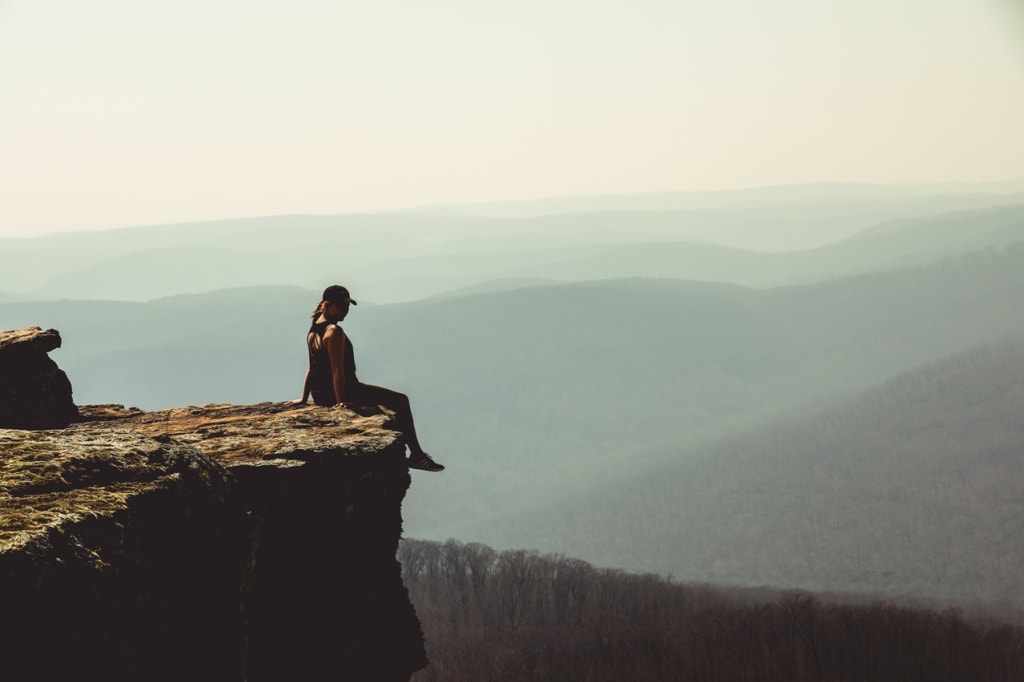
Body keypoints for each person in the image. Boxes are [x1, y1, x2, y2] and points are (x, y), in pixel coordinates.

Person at [294, 284, 444, 472]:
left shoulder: (314, 328)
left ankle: (417, 455)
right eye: (341, 306)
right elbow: (337, 370)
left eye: (347, 306)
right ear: (328, 305)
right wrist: (341, 401)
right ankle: (417, 455)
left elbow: (312, 367)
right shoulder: (334, 332)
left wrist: (304, 398)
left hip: (321, 395)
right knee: (400, 400)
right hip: (346, 390)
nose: (345, 311)